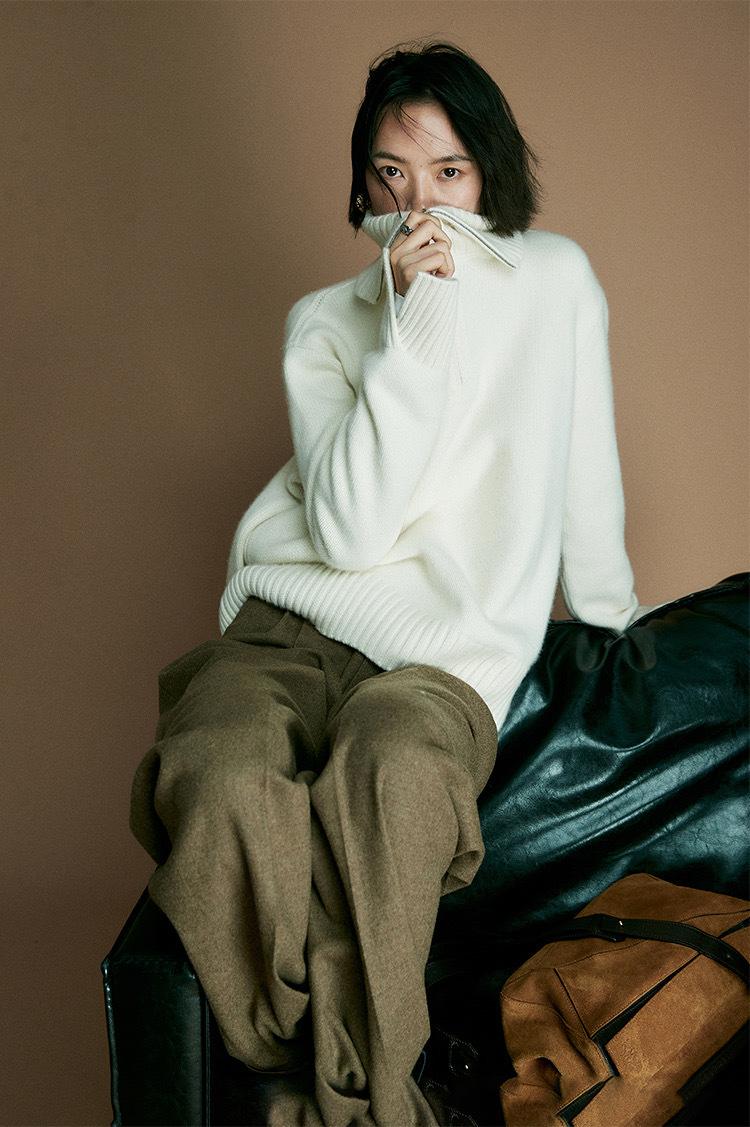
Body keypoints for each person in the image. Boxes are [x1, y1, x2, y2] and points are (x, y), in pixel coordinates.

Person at [130, 39, 656, 1127]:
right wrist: (413, 329)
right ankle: (310, 1077)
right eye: (392, 175)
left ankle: (332, 1102)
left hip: (442, 652)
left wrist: (614, 620)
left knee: (399, 777)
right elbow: (350, 530)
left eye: (448, 171)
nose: (420, 205)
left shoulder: (556, 280)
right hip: (289, 620)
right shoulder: (326, 324)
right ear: (366, 187)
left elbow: (584, 469)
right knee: (218, 767)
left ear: (489, 170)